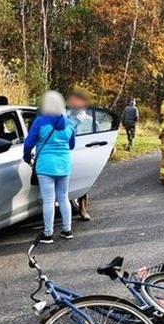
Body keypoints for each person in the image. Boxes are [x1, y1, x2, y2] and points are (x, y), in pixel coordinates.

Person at [23, 91, 76, 244]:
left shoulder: (40, 122)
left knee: (48, 200)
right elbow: (72, 145)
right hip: (64, 165)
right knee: (64, 197)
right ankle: (67, 230)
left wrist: (27, 158)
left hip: (45, 166)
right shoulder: (69, 123)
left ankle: (48, 234)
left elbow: (28, 144)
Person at [66, 87, 93, 220]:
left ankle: (83, 209)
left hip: (83, 155)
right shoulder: (64, 117)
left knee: (83, 182)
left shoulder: (89, 120)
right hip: (65, 154)